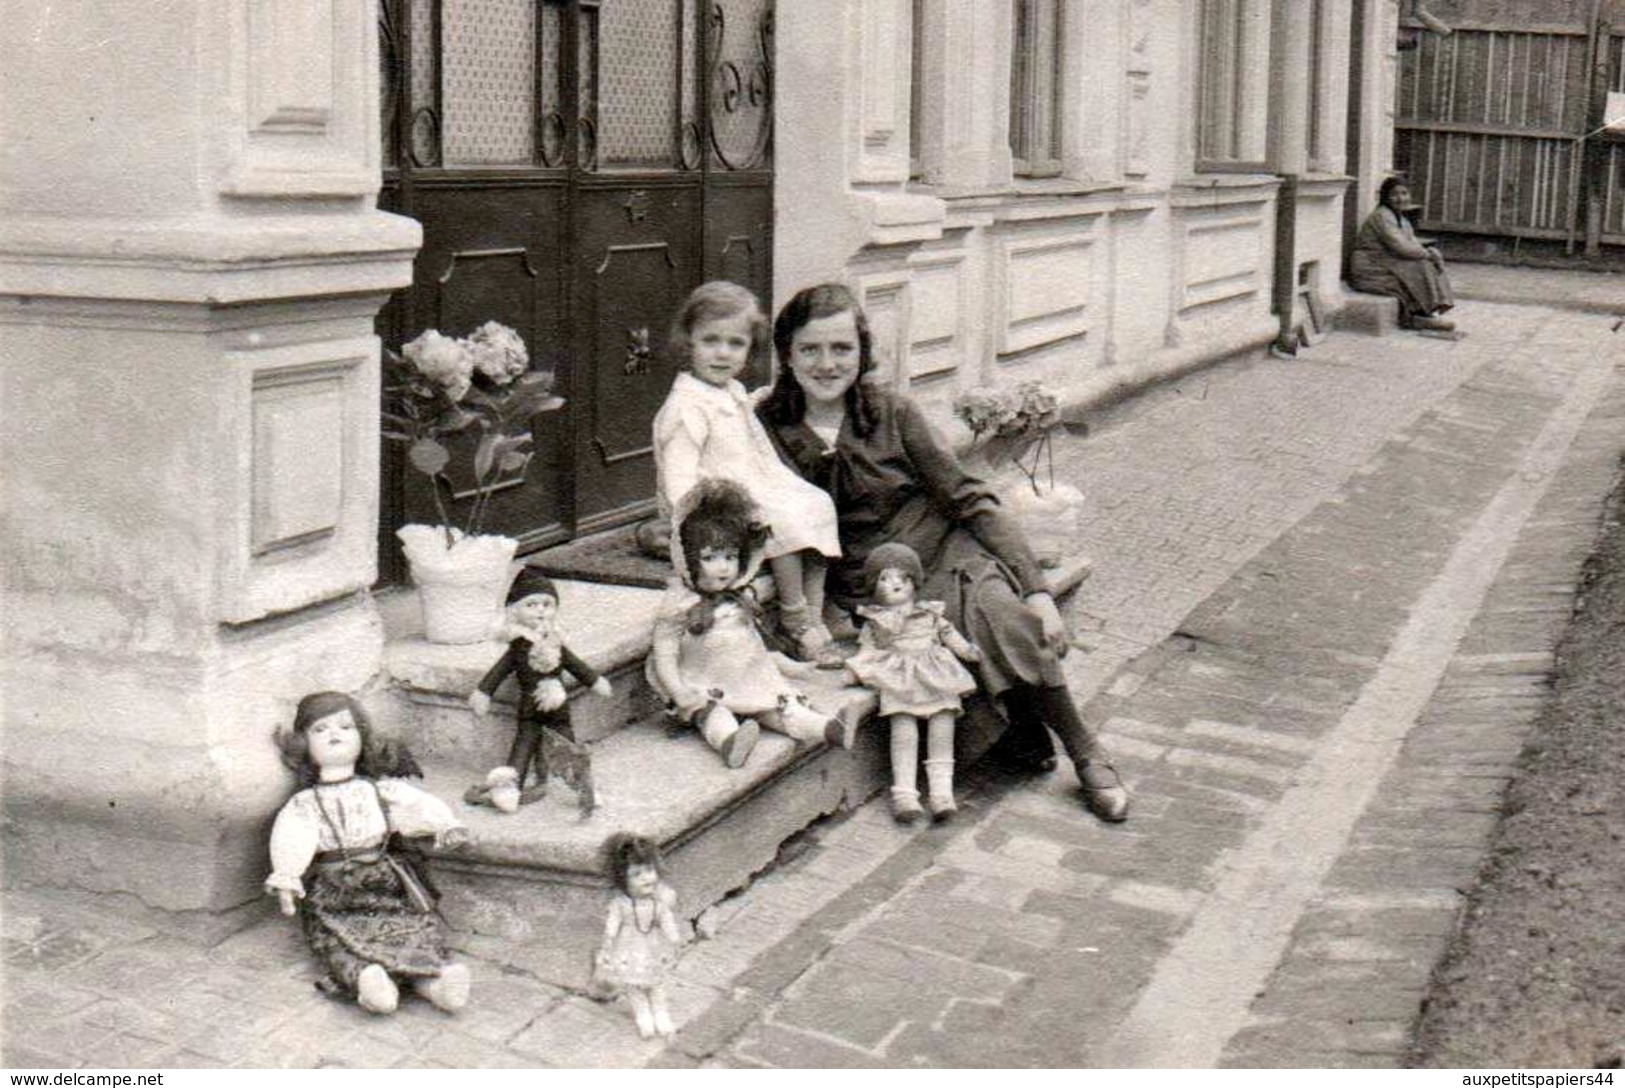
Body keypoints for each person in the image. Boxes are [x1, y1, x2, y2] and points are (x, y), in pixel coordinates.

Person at [758, 283, 1130, 824]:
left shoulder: (892, 411)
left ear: (861, 353)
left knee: (1005, 618)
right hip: (875, 582)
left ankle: (1086, 751)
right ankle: (1020, 730)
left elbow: (968, 498)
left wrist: (1038, 590)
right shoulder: (769, 426)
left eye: (842, 349)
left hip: (947, 549)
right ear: (787, 355)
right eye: (810, 349)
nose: (827, 363)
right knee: (922, 641)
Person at [652, 281, 845, 667]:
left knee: (816, 502)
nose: (722, 353)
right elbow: (679, 478)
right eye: (710, 340)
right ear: (688, 342)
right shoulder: (687, 405)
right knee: (780, 519)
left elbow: (747, 437)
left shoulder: (729, 390)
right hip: (713, 502)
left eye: (735, 343)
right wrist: (695, 520)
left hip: (751, 482)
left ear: (749, 348)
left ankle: (815, 612)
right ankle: (794, 617)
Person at [266, 691, 471, 1015]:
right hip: (334, 895)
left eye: (346, 727)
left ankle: (436, 983)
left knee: (414, 929)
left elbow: (414, 805)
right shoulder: (304, 803)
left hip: (385, 886)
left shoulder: (378, 790)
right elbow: (293, 835)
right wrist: (288, 876)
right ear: (304, 743)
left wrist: (443, 823)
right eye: (321, 729)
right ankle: (368, 982)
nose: (334, 734)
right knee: (339, 942)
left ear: (362, 736)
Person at [645, 478, 858, 767]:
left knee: (779, 705)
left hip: (748, 678)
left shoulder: (741, 598)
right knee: (712, 713)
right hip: (702, 681)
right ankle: (729, 741)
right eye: (710, 558)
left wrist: (795, 668)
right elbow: (666, 652)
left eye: (731, 557)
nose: (724, 567)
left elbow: (758, 647)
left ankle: (824, 728)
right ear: (688, 559)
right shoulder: (679, 604)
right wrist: (677, 690)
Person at [845, 542, 982, 824]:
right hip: (900, 679)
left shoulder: (930, 613)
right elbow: (867, 652)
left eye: (902, 577)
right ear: (874, 586)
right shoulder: (875, 621)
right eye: (884, 578)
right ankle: (904, 793)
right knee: (903, 727)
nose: (894, 583)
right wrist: (854, 670)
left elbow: (948, 633)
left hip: (936, 675)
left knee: (943, 723)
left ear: (914, 582)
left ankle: (941, 792)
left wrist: (967, 650)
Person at [467, 569, 611, 812]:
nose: (541, 610)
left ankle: (583, 788)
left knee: (569, 747)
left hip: (559, 708)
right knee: (523, 746)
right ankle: (510, 789)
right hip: (531, 708)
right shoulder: (519, 646)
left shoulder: (555, 642)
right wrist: (483, 692)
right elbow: (499, 670)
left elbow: (574, 664)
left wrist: (594, 680)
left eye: (547, 604)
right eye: (531, 605)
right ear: (515, 610)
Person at [594, 834, 683, 1039]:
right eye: (637, 874)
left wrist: (674, 938)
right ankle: (643, 1017)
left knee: (656, 984)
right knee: (633, 986)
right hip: (628, 948)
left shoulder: (658, 902)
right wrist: (608, 942)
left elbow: (666, 920)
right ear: (623, 880)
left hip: (652, 947)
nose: (647, 878)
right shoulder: (620, 904)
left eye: (650, 871)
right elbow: (612, 925)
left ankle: (661, 1015)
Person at [1349, 177, 1456, 332]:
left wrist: (1432, 252)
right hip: (1369, 267)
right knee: (1419, 265)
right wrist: (1427, 254)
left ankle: (1425, 312)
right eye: (1394, 194)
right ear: (1385, 197)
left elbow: (1413, 244)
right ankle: (1420, 315)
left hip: (1386, 262)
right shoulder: (1381, 216)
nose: (1400, 199)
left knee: (1427, 262)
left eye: (1404, 193)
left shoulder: (1402, 220)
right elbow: (1400, 247)